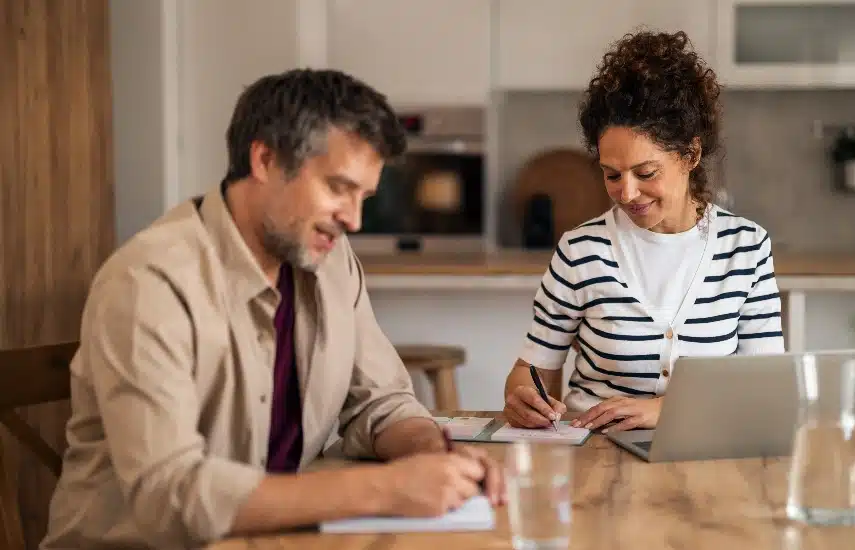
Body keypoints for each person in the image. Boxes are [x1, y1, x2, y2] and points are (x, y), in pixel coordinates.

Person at [41, 69, 503, 550]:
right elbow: (170, 497)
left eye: (363, 197)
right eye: (337, 188)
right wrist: (386, 489)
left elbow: (380, 402)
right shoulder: (149, 282)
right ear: (264, 159)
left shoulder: (330, 258)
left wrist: (435, 457)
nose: (354, 219)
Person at [502, 30, 785, 433]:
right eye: (611, 175)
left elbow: (765, 387)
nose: (627, 192)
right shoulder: (580, 251)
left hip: (703, 454)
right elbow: (531, 371)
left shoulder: (746, 248)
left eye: (646, 172)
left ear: (690, 154)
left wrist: (665, 410)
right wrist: (522, 397)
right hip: (595, 454)